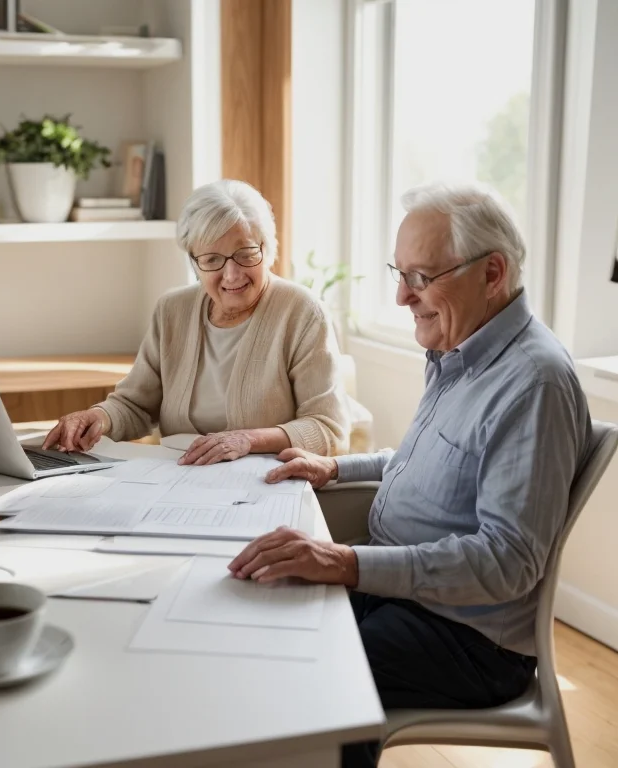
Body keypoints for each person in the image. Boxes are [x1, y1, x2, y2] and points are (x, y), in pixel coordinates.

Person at [227, 182, 591, 767]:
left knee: (311, 675)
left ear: (492, 272)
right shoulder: (462, 347)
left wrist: (346, 563)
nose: (401, 296)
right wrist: (336, 466)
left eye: (421, 278)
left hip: (468, 640)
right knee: (254, 622)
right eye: (400, 273)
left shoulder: (532, 382)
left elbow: (507, 561)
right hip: (402, 597)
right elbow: (432, 464)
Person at [43, 179, 349, 465]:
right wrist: (98, 417)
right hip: (178, 481)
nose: (232, 275)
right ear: (194, 262)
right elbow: (136, 405)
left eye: (245, 254)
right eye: (212, 259)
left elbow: (328, 430)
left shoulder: (302, 312)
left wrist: (248, 440)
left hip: (264, 486)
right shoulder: (172, 310)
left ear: (267, 250)